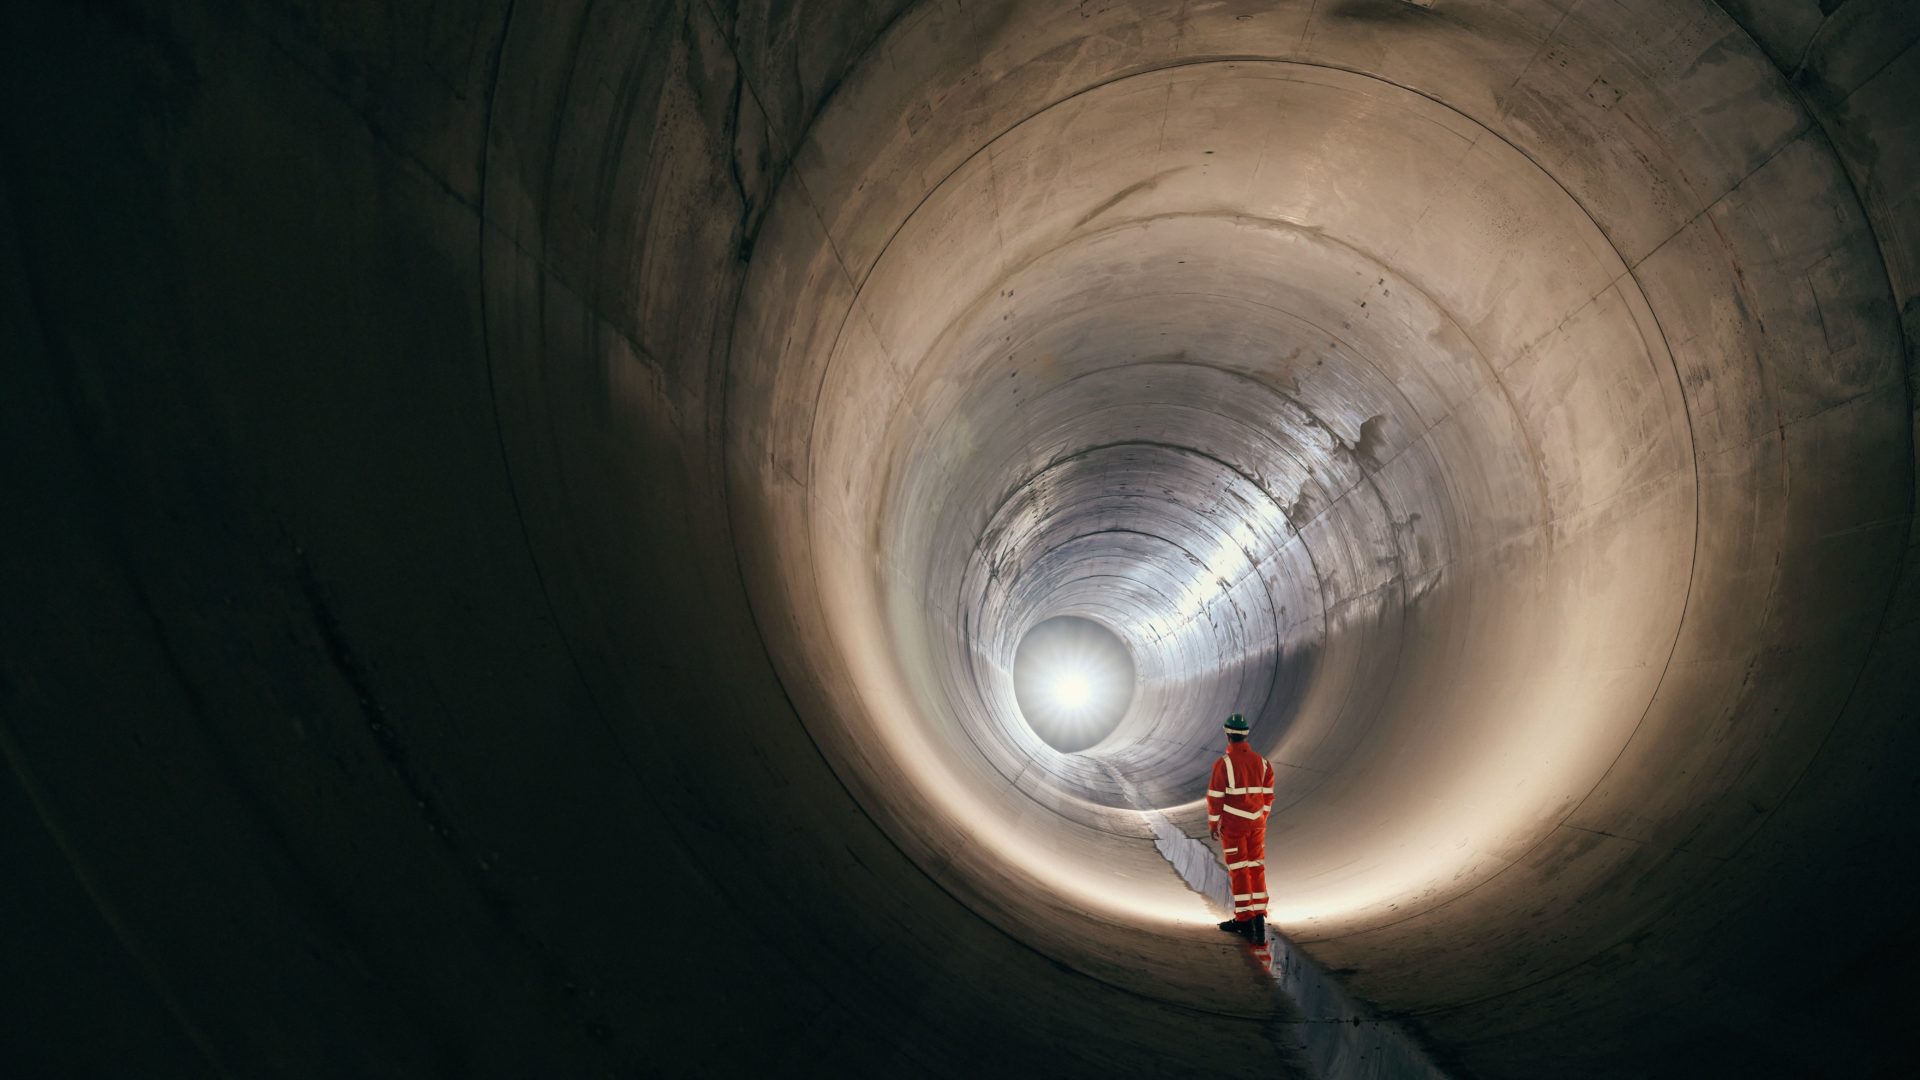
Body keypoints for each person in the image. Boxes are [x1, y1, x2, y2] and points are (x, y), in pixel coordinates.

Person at [1207, 713, 1275, 944]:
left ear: (1227, 735)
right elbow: (1267, 796)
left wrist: (1214, 822)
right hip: (1256, 824)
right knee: (1256, 867)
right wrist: (1261, 817)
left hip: (1235, 826)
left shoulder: (1223, 764)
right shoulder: (1263, 763)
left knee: (1239, 870)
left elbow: (1215, 797)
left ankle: (1245, 920)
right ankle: (1259, 919)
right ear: (1246, 734)